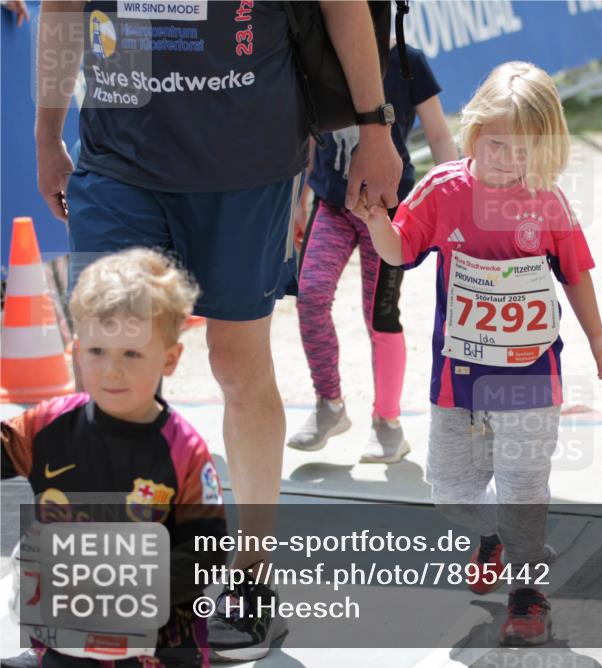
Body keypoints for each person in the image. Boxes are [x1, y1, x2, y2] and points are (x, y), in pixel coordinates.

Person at [34, 1, 402, 659]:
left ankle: (252, 580)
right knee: (113, 355)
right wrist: (46, 134)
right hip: (119, 160)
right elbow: (61, 9)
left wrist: (374, 129)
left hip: (247, 163)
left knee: (236, 361)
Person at [352, 61, 602, 646]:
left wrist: (598, 338)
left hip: (530, 375)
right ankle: (493, 533)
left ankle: (527, 590)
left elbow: (574, 273)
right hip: (459, 379)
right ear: (474, 133)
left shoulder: (547, 202)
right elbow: (399, 251)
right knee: (449, 492)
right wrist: (377, 220)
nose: (507, 160)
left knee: (524, 484)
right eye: (497, 145)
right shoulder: (444, 189)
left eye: (524, 151)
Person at [1, 249, 227, 667]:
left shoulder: (184, 451)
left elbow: (207, 553)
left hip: (158, 646)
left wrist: (124, 584)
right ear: (77, 351)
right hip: (66, 641)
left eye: (132, 354)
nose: (111, 371)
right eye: (98, 351)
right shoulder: (46, 427)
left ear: (170, 359)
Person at [289, 40, 458, 462]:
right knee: (309, 295)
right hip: (332, 204)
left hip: (385, 211)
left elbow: (438, 133)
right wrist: (299, 199)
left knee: (379, 315)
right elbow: (312, 136)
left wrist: (454, 200)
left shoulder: (409, 62)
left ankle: (388, 423)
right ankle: (329, 404)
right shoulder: (323, 57)